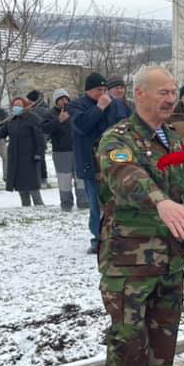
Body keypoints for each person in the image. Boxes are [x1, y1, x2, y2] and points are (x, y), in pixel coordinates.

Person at [94, 66, 184, 366]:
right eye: (163, 93)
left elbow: (180, 189)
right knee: (127, 339)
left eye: (173, 92)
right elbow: (126, 177)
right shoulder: (117, 139)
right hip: (129, 263)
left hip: (169, 260)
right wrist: (162, 202)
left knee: (163, 338)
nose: (171, 99)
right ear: (139, 94)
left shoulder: (171, 138)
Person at [70, 73, 129, 254]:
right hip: (91, 163)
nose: (103, 93)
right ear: (88, 90)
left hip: (114, 162)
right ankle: (98, 238)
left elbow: (127, 125)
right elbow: (82, 126)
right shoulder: (76, 106)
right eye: (99, 90)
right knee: (96, 203)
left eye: (105, 90)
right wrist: (99, 108)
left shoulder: (117, 104)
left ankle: (118, 236)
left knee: (117, 202)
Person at [41, 89, 88, 211]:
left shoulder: (75, 111)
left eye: (66, 99)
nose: (64, 101)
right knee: (64, 179)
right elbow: (44, 129)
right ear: (56, 101)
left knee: (80, 178)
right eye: (61, 99)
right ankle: (66, 202)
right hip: (61, 152)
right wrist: (58, 121)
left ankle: (83, 202)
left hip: (78, 150)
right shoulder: (50, 114)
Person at [0, 97, 46, 207]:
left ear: (25, 106)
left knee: (32, 186)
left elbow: (40, 137)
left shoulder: (33, 118)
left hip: (30, 157)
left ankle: (40, 206)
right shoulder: (11, 119)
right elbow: (2, 133)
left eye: (19, 105)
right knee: (21, 187)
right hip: (15, 157)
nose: (16, 107)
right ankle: (25, 207)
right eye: (15, 105)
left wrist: (39, 153)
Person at [26, 90, 51, 188]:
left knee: (39, 157)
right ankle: (42, 178)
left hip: (40, 136)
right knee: (41, 157)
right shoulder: (43, 107)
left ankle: (41, 178)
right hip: (43, 135)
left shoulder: (37, 110)